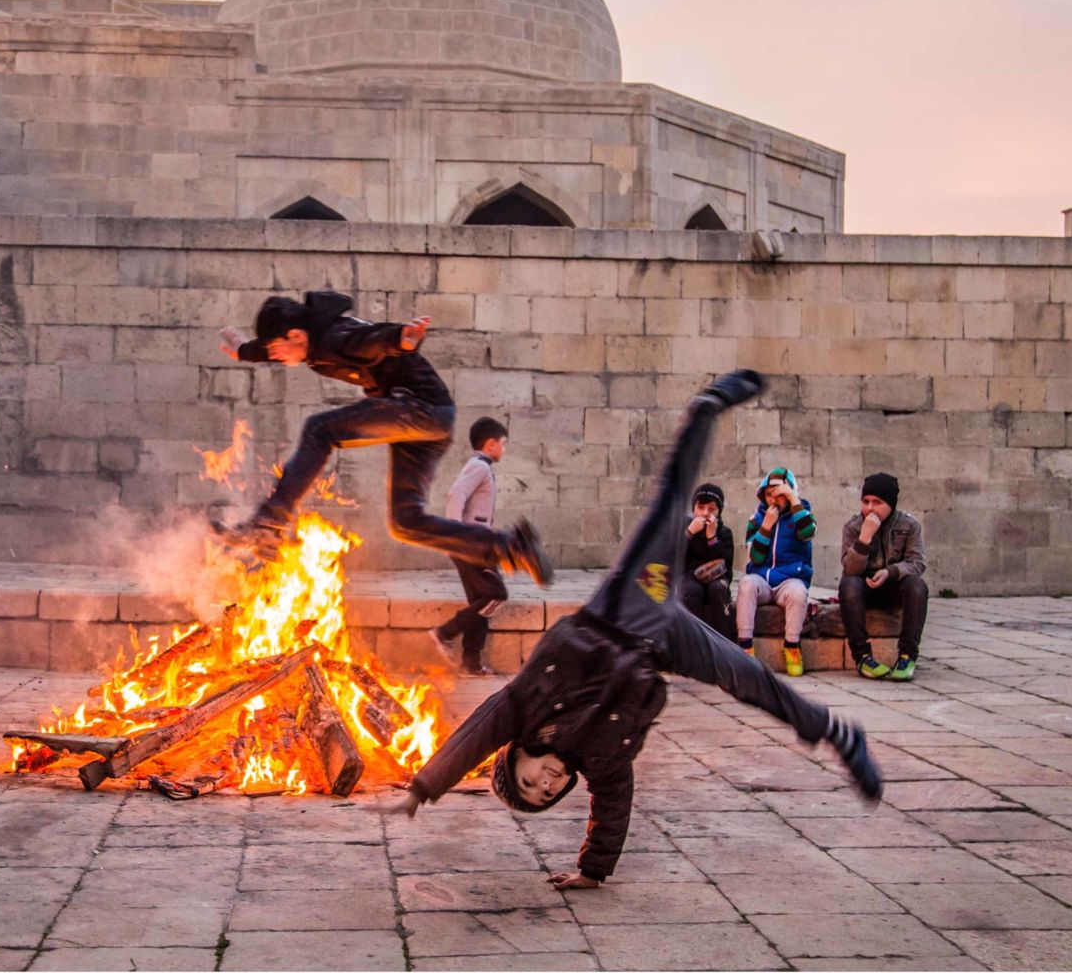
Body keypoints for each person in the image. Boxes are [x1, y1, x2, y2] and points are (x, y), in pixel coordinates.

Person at [388, 370, 881, 890]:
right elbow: (612, 808)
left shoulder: (524, 707)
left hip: (624, 609)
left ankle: (706, 407)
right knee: (748, 676)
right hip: (661, 642)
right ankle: (836, 733)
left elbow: (477, 734)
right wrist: (592, 872)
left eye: (531, 780)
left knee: (670, 505)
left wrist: (423, 788)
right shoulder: (602, 760)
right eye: (548, 794)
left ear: (520, 752)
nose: (547, 783)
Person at [217, 291, 552, 585]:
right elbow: (277, 346)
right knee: (406, 522)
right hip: (429, 420)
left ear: (295, 335)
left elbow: (370, 339)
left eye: (276, 352)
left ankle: (269, 522)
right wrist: (245, 351)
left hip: (418, 408)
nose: (276, 358)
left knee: (320, 430)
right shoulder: (310, 338)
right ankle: (511, 547)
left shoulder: (335, 337)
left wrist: (401, 339)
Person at [431, 417, 511, 675]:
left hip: (474, 543)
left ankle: (471, 662)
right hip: (472, 545)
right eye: (503, 444)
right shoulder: (480, 467)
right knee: (495, 595)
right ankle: (444, 633)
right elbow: (456, 494)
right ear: (490, 444)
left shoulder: (480, 466)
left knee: (480, 602)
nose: (504, 449)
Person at [839, 473, 929, 681]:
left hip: (893, 586)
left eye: (877, 502)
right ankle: (862, 657)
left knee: (917, 586)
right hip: (865, 586)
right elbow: (850, 569)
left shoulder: (909, 526)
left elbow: (917, 563)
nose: (870, 508)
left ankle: (907, 656)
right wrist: (864, 538)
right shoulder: (853, 527)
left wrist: (890, 573)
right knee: (848, 585)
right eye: (866, 501)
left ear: (891, 504)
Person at [735, 467, 817, 676]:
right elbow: (755, 557)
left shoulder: (802, 513)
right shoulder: (757, 518)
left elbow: (807, 533)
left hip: (789, 579)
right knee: (746, 584)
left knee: (799, 594)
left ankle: (792, 647)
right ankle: (745, 647)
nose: (773, 500)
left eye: (779, 494)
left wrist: (792, 498)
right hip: (762, 579)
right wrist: (766, 527)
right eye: (769, 495)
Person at [679, 483, 735, 642]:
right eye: (701, 507)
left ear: (719, 512)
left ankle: (725, 642)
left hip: (718, 577)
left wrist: (712, 538)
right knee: (691, 590)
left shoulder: (724, 533)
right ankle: (691, 641)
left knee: (717, 590)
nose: (705, 513)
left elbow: (725, 566)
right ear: (693, 508)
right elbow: (673, 556)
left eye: (711, 509)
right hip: (688, 575)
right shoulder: (684, 528)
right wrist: (689, 533)